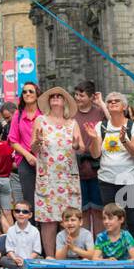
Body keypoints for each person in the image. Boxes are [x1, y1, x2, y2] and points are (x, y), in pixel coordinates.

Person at [86, 92, 134, 250]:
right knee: (111, 221)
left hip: (129, 180)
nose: (112, 103)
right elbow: (95, 154)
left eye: (116, 101)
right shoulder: (102, 126)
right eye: (109, 101)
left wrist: (124, 140)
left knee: (132, 220)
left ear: (124, 106)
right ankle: (114, 253)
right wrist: (93, 139)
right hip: (107, 180)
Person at [32, 86, 83, 259]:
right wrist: (38, 142)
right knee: (48, 219)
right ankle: (49, 256)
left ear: (64, 102)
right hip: (48, 175)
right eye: (52, 96)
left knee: (69, 218)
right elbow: (33, 148)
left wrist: (76, 145)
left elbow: (80, 147)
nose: (55, 98)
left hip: (68, 176)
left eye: (59, 96)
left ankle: (68, 255)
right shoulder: (40, 120)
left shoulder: (73, 123)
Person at [71, 81, 106, 233]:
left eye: (82, 95)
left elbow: (115, 123)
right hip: (77, 164)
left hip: (97, 164)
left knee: (98, 209)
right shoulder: (71, 114)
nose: (78, 98)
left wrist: (102, 103)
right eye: (76, 95)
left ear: (91, 97)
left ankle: (97, 244)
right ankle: (85, 246)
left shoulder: (99, 112)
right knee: (82, 210)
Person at [8, 83, 41, 216]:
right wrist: (28, 155)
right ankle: (32, 231)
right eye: (25, 92)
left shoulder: (44, 113)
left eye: (31, 91)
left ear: (37, 94)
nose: (27, 94)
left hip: (45, 159)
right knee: (29, 198)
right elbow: (12, 140)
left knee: (45, 196)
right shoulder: (18, 114)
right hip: (25, 159)